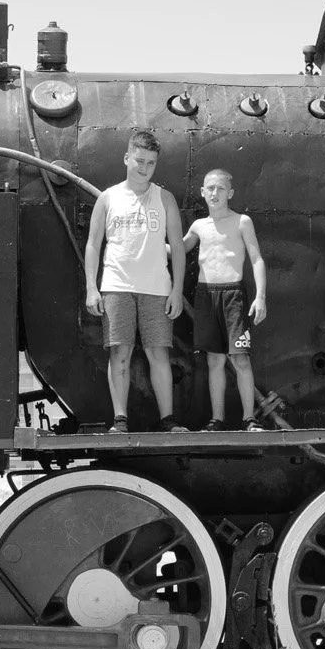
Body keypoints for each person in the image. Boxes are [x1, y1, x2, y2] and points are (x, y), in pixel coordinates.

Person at [84, 129, 186, 430]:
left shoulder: (164, 198)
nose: (144, 168)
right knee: (120, 353)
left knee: (158, 354)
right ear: (127, 157)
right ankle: (120, 420)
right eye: (139, 161)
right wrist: (92, 287)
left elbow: (177, 247)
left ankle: (168, 421)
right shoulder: (107, 198)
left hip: (157, 288)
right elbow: (93, 243)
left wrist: (177, 290)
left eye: (151, 163)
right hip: (116, 286)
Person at [180, 168, 268, 428]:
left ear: (230, 192)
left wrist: (260, 297)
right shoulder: (198, 226)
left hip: (233, 295)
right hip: (206, 296)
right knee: (214, 360)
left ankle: (249, 418)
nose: (214, 193)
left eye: (220, 188)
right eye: (210, 188)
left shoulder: (242, 221)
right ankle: (216, 419)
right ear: (202, 192)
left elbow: (257, 259)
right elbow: (178, 249)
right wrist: (147, 240)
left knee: (240, 358)